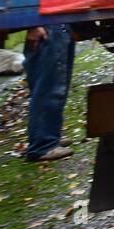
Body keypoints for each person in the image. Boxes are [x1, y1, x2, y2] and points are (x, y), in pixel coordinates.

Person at [23, 25, 74, 163]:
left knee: (55, 83)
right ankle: (43, 145)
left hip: (55, 23)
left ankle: (51, 136)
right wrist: (33, 23)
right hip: (47, 25)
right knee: (49, 87)